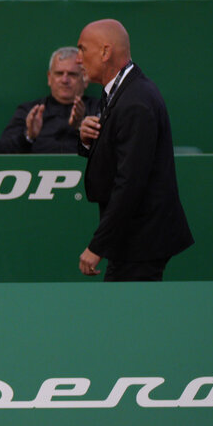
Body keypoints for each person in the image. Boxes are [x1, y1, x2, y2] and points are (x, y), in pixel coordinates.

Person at [76, 19, 193, 280]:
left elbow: (130, 182)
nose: (77, 60)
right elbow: (115, 153)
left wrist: (97, 245)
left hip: (141, 241)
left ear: (105, 52)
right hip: (132, 238)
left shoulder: (135, 102)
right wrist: (86, 140)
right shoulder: (118, 91)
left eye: (82, 49)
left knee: (128, 317)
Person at [0, 46, 100, 154]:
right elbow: (0, 151)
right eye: (59, 74)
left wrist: (80, 127)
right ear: (49, 78)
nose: (64, 80)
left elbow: (111, 151)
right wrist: (28, 136)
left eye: (72, 74)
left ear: (85, 78)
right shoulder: (30, 111)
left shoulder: (99, 109)